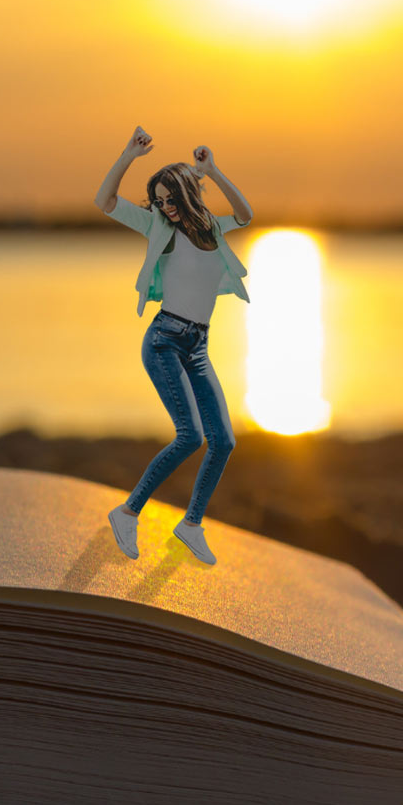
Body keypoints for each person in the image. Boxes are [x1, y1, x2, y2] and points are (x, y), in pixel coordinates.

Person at [93, 128, 253, 566]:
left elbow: (246, 213)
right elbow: (104, 202)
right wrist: (127, 155)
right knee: (190, 436)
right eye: (159, 200)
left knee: (223, 441)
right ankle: (128, 512)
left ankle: (191, 525)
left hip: (197, 346)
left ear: (186, 193)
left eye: (170, 198)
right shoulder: (158, 228)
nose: (164, 207)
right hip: (164, 340)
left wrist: (212, 171)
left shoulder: (212, 230)